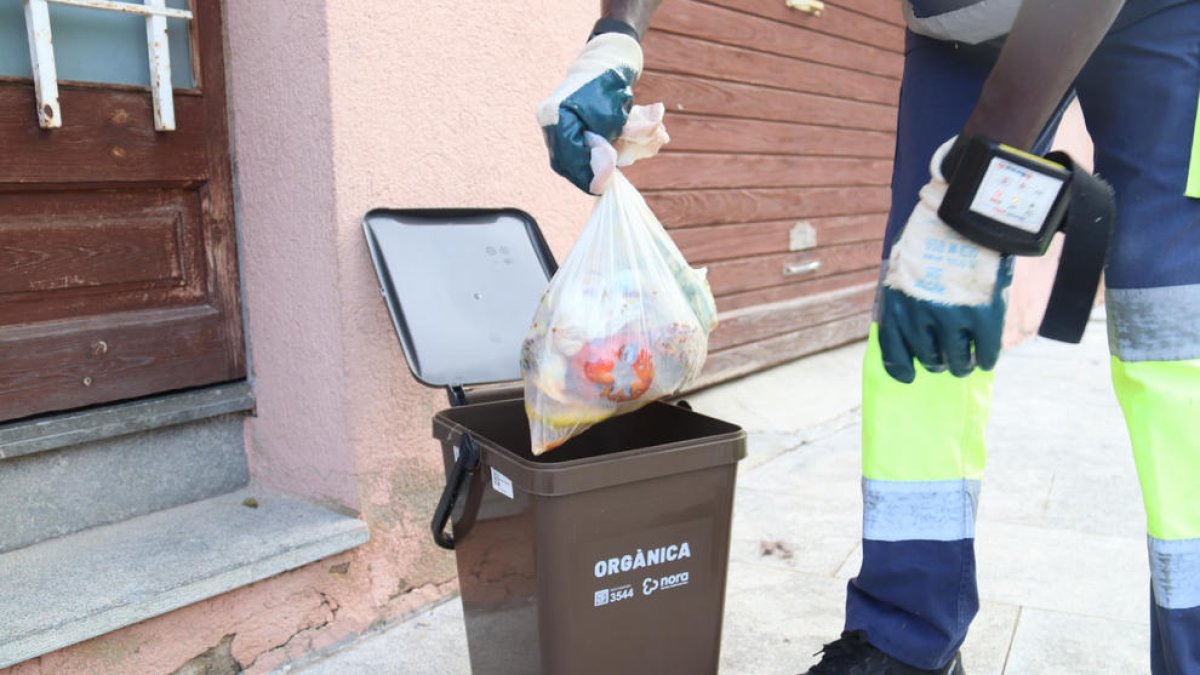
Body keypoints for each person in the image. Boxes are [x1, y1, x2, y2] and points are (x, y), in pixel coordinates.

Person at [537, 1, 1200, 673]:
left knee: (1179, 331)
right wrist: (616, 36)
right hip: (962, 23)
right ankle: (905, 638)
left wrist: (970, 185)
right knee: (920, 304)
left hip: (1174, 18)